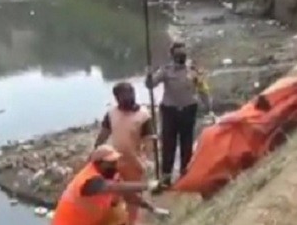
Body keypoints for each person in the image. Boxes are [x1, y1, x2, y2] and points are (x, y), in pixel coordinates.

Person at [146, 41, 212, 189]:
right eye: (178, 53)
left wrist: (208, 106)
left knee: (186, 142)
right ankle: (166, 177)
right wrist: (149, 75)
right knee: (168, 143)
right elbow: (151, 85)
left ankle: (185, 173)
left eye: (183, 52)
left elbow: (202, 88)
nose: (181, 56)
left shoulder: (193, 70)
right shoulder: (166, 71)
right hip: (170, 111)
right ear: (172, 55)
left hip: (189, 109)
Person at [52, 145, 169, 225]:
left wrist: (152, 208)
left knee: (119, 212)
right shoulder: (89, 180)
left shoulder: (110, 173)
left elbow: (127, 194)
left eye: (115, 161)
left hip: (93, 219)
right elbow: (111, 187)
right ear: (98, 163)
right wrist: (148, 185)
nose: (115, 165)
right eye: (110, 163)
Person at [93, 83, 153, 225]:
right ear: (117, 98)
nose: (128, 98)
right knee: (113, 198)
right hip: (113, 163)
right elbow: (104, 133)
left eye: (130, 94)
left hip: (134, 163)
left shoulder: (143, 115)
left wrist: (145, 161)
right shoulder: (111, 114)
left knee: (133, 199)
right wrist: (96, 151)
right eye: (124, 95)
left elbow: (149, 141)